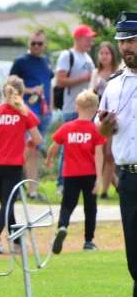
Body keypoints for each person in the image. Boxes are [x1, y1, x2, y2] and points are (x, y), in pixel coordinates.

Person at [97, 12, 137, 297]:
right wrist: (105, 124)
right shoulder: (113, 85)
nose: (127, 47)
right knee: (135, 256)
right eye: (123, 41)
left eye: (132, 40)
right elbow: (103, 130)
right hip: (129, 177)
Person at [0, 76, 42, 255]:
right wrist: (29, 143)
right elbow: (38, 139)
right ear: (22, 93)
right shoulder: (25, 112)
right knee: (8, 203)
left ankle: (16, 241)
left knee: (5, 203)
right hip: (13, 164)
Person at [48, 90, 105, 253]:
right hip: (89, 174)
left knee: (67, 205)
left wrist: (49, 160)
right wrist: (99, 178)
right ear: (96, 109)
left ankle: (63, 226)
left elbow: (54, 146)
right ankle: (88, 241)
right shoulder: (95, 130)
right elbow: (99, 155)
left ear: (76, 107)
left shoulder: (67, 127)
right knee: (90, 208)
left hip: (70, 174)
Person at [10, 30, 54, 196]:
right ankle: (17, 183)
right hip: (27, 111)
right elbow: (11, 85)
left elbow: (48, 86)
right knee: (27, 149)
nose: (36, 46)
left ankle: (32, 189)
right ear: (29, 44)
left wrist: (50, 106)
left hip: (43, 112)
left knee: (34, 149)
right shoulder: (21, 61)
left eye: (40, 43)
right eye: (33, 43)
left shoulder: (46, 61)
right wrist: (30, 90)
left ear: (45, 45)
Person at [55, 25, 96, 186]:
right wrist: (84, 78)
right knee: (67, 148)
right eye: (87, 38)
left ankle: (83, 181)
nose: (90, 42)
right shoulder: (68, 55)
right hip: (72, 108)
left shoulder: (87, 57)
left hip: (88, 110)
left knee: (86, 148)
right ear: (78, 39)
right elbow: (60, 81)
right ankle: (61, 183)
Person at [91, 41, 120, 197]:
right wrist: (95, 87)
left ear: (112, 55)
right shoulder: (96, 73)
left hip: (112, 115)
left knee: (110, 154)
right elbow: (91, 95)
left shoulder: (119, 71)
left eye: (107, 53)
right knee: (100, 152)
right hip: (99, 115)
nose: (104, 56)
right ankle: (106, 185)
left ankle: (105, 189)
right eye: (101, 53)